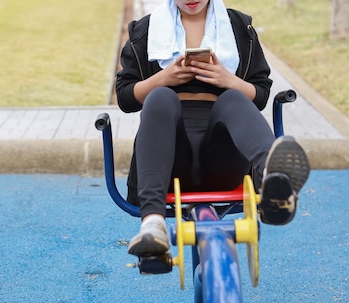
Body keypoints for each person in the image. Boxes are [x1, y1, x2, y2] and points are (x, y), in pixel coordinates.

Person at [115, 0, 311, 257]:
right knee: (160, 96)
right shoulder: (144, 30)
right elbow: (125, 98)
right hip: (169, 163)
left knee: (233, 98)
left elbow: (260, 94)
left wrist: (227, 79)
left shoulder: (240, 27)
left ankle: (275, 183)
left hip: (223, 157)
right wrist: (163, 78)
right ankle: (153, 224)